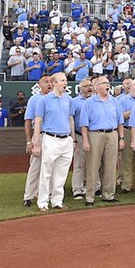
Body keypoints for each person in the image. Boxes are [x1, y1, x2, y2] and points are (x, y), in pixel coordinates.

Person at [30, 72, 75, 212]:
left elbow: (70, 119)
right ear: (54, 83)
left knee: (62, 173)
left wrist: (72, 139)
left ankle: (57, 201)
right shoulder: (44, 100)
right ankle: (43, 202)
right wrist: (36, 143)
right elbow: (37, 122)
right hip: (50, 139)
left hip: (66, 140)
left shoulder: (68, 99)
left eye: (66, 80)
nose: (65, 83)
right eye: (62, 80)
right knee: (46, 172)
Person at [80, 76, 126, 205]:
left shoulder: (114, 102)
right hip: (95, 134)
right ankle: (90, 196)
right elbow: (84, 124)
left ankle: (109, 195)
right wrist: (85, 141)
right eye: (104, 83)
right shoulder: (89, 102)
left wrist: (121, 138)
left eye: (108, 83)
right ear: (97, 86)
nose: (107, 85)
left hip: (112, 134)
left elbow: (120, 122)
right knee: (93, 166)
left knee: (111, 166)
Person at [22, 77, 52, 207]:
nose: (49, 84)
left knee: (51, 167)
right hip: (39, 135)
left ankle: (47, 194)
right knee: (35, 167)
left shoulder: (58, 98)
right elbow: (28, 121)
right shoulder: (34, 99)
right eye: (45, 82)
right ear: (39, 85)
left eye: (51, 82)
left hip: (53, 137)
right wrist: (29, 141)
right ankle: (28, 196)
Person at [70, 78, 94, 199]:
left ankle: (93, 187)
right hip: (79, 135)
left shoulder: (97, 100)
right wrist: (73, 138)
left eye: (90, 85)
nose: (89, 88)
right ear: (80, 88)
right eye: (86, 86)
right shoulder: (74, 102)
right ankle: (77, 189)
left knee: (94, 163)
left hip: (94, 135)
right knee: (79, 163)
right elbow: (71, 121)